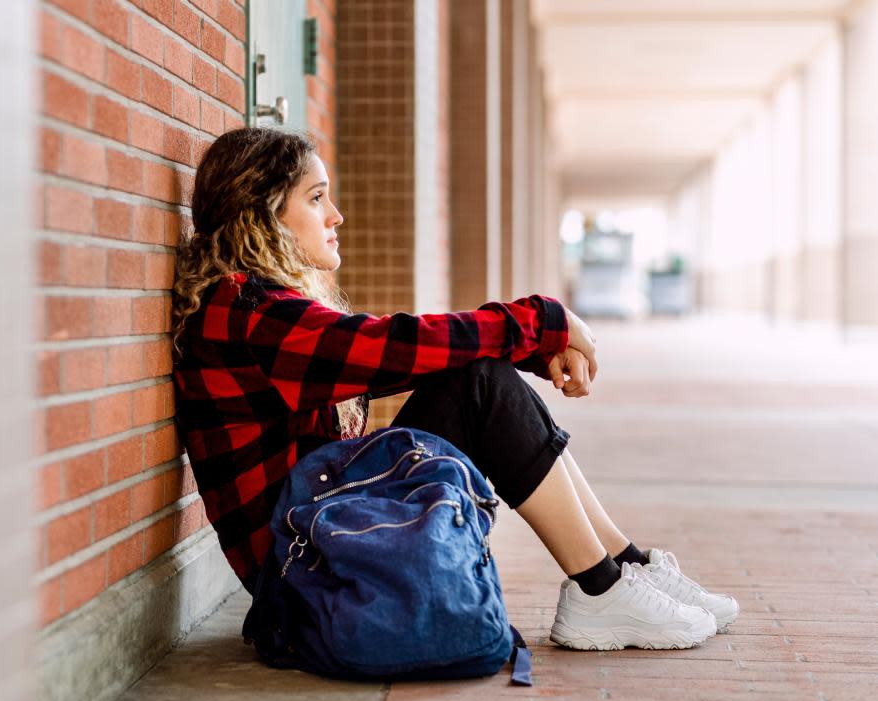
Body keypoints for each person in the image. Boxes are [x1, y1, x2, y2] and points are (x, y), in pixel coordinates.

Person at [171, 126, 738, 652]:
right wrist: (540, 320)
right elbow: (388, 347)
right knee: (477, 384)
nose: (336, 215)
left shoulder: (258, 307)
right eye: (317, 198)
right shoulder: (245, 313)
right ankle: (601, 589)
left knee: (477, 376)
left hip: (326, 556)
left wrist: (531, 352)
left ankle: (622, 567)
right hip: (308, 585)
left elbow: (403, 358)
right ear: (261, 216)